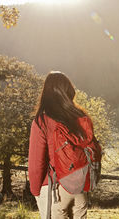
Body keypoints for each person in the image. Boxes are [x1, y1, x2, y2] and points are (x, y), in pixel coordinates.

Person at [28, 71, 95, 219]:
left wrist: (35, 191)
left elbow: (36, 163)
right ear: (69, 91)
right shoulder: (81, 118)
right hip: (79, 188)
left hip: (55, 189)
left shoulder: (42, 121)